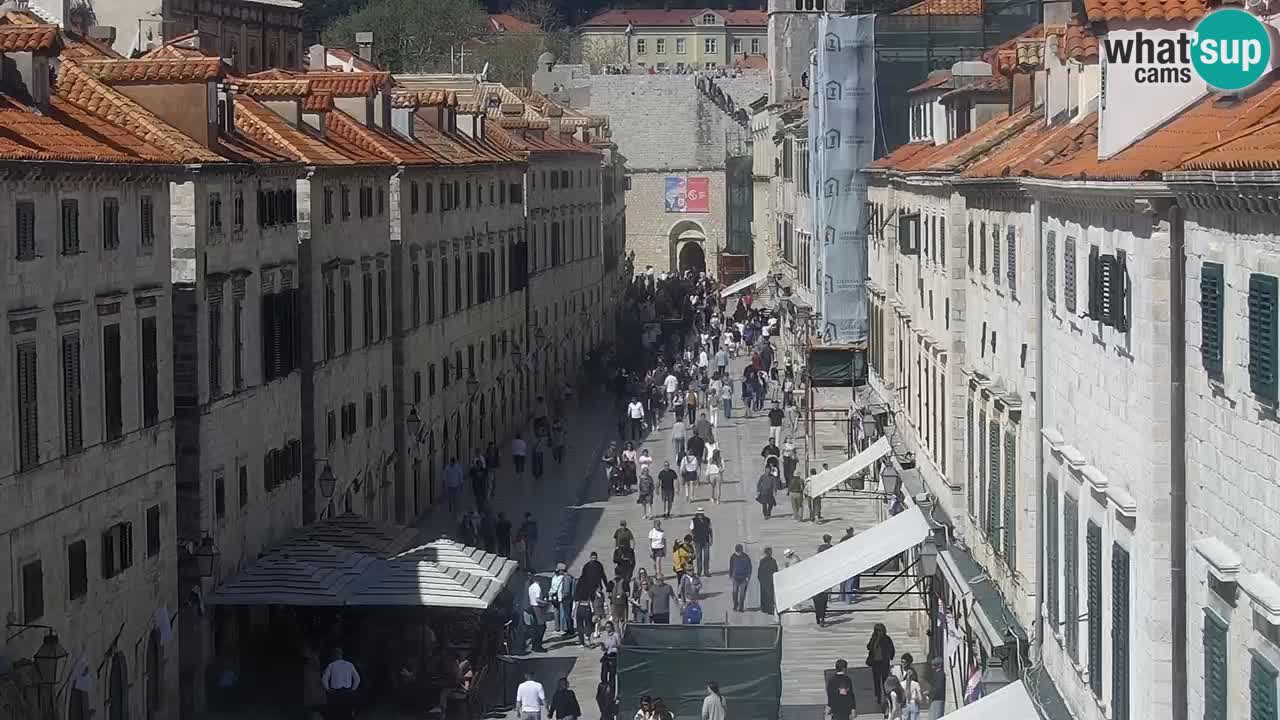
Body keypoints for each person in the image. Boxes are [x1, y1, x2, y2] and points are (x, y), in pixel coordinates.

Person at [321, 648, 360, 720]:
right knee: (347, 714)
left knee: (336, 714)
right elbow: (357, 679)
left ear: (333, 655)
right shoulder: (349, 665)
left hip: (336, 693)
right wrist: (353, 689)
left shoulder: (331, 665)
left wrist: (328, 689)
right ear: (341, 654)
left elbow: (324, 679)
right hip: (347, 692)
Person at [867, 624, 896, 709]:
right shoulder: (874, 638)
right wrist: (874, 640)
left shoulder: (886, 639)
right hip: (875, 663)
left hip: (884, 663)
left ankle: (886, 695)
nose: (879, 632)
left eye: (880, 630)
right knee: (876, 681)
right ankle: (878, 697)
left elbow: (891, 648)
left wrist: (890, 656)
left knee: (885, 680)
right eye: (877, 630)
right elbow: (869, 647)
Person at [526, 575, 549, 653]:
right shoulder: (537, 587)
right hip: (537, 608)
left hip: (532, 606)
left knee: (536, 627)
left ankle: (535, 645)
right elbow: (537, 599)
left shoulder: (531, 587)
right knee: (542, 627)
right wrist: (545, 603)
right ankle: (537, 646)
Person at [728, 544, 752, 612]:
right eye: (737, 552)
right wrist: (730, 575)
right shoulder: (733, 557)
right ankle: (735, 605)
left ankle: (741, 607)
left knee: (742, 594)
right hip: (735, 578)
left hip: (744, 578)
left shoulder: (746, 557)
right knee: (734, 592)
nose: (738, 553)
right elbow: (731, 566)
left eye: (739, 552)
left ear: (741, 551)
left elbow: (749, 567)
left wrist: (748, 576)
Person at [689, 509, 713, 576]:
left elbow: (710, 530)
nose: (701, 515)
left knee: (706, 556)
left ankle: (706, 571)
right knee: (699, 556)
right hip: (697, 540)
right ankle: (699, 571)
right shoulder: (693, 520)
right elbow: (691, 530)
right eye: (699, 513)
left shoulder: (707, 520)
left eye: (701, 513)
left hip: (706, 540)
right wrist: (692, 539)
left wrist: (711, 539)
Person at [757, 547, 779, 614]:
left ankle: (765, 609)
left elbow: (759, 572)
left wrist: (760, 580)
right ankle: (769, 609)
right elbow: (776, 571)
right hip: (769, 581)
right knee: (769, 595)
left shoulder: (762, 561)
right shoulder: (773, 561)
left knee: (764, 596)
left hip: (765, 581)